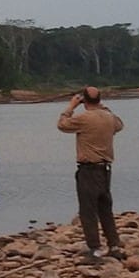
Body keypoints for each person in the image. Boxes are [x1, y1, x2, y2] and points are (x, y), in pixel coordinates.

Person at [56, 86, 125, 261]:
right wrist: (102, 107)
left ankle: (95, 249)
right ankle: (114, 245)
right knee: (105, 209)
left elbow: (62, 125)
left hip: (88, 170)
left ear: (84, 100)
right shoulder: (109, 118)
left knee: (88, 211)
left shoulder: (83, 118)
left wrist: (71, 106)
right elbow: (119, 125)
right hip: (105, 170)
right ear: (99, 100)